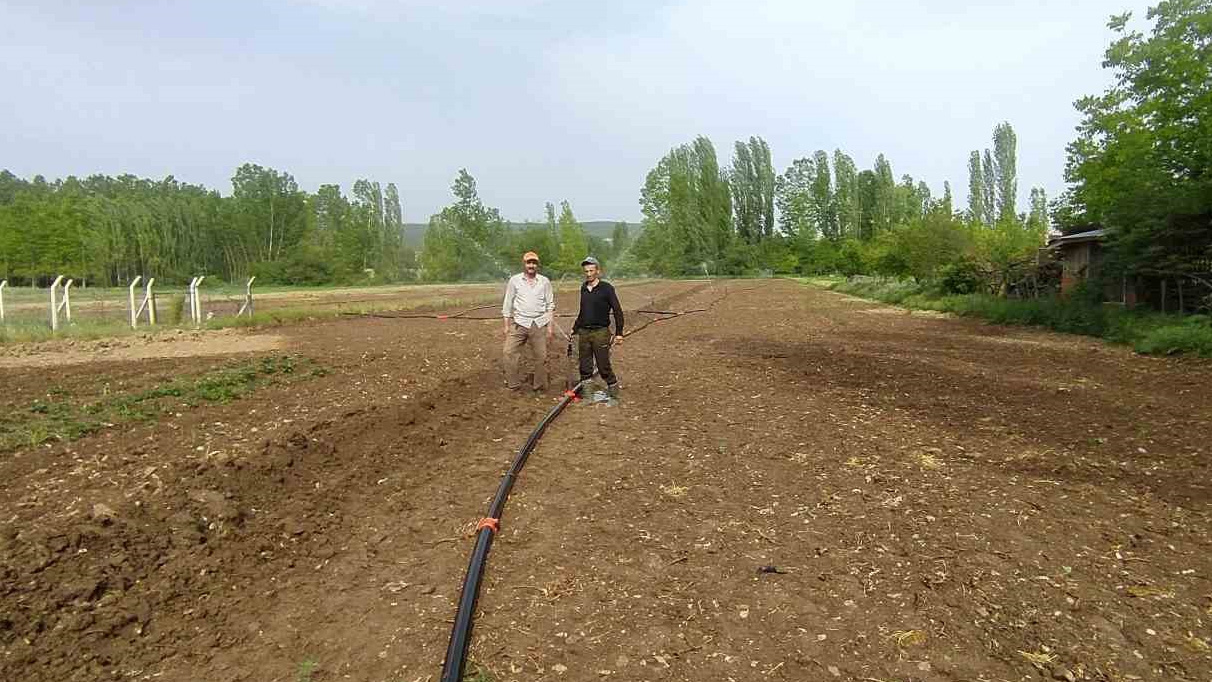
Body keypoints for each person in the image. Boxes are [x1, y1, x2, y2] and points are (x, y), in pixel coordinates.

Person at [501, 251, 555, 393]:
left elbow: (550, 305)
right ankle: (513, 384)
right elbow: (508, 302)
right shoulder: (515, 280)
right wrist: (506, 325)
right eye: (528, 262)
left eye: (534, 263)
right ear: (523, 264)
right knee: (508, 352)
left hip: (538, 323)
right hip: (519, 323)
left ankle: (539, 386)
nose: (531, 265)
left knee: (541, 357)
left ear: (537, 265)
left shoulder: (544, 281)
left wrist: (550, 327)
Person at [572, 256, 624, 394]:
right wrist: (575, 329)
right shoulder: (583, 288)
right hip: (584, 332)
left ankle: (614, 393)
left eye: (591, 271)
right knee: (585, 366)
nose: (588, 274)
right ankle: (588, 395)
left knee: (603, 365)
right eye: (586, 271)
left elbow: (617, 310)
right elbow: (583, 311)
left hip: (600, 332)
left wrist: (619, 333)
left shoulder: (606, 288)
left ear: (598, 271)